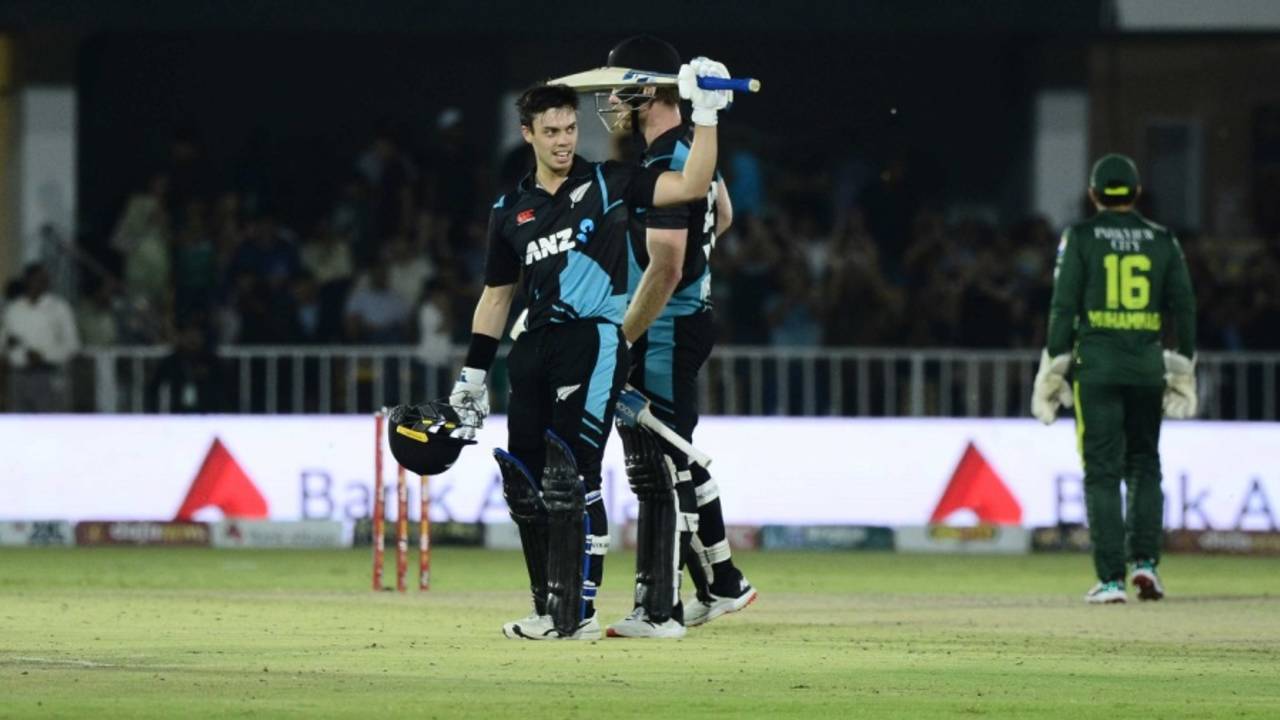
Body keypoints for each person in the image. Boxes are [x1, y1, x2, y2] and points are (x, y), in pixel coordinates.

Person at [444, 64, 730, 641]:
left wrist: (706, 116)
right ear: (527, 134)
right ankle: (548, 609)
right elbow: (496, 297)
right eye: (551, 131)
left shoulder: (610, 181)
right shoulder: (509, 210)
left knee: (572, 476)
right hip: (532, 348)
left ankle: (578, 613)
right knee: (526, 483)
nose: (563, 141)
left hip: (594, 342)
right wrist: (472, 377)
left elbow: (691, 186)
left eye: (570, 129)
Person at [596, 36, 755, 639]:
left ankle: (660, 607)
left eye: (620, 89)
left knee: (662, 464)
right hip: (686, 318)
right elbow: (725, 214)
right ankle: (723, 583)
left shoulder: (668, 162)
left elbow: (664, 270)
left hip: (665, 325)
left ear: (647, 90)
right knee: (673, 453)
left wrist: (620, 340)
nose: (612, 101)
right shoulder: (692, 151)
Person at [1032, 154, 1197, 604]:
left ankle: (1110, 580)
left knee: (1102, 472)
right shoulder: (1162, 239)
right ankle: (1146, 564)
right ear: (1136, 193)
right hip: (1146, 368)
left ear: (1093, 194)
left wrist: (1053, 364)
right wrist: (1184, 364)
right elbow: (1184, 306)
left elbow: (1063, 306)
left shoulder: (1081, 237)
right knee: (1144, 463)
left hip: (1097, 369)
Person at [0, 263, 81, 412]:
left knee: (48, 422)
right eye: (36, 279)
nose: (40, 283)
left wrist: (44, 356)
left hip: (47, 375)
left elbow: (72, 345)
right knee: (18, 422)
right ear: (27, 280)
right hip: (18, 376)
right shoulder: (14, 309)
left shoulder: (59, 308)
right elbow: (3, 341)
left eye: (44, 280)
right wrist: (7, 344)